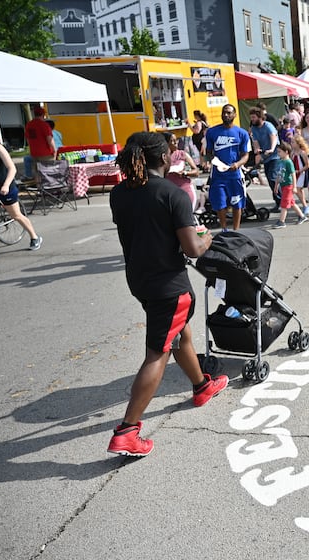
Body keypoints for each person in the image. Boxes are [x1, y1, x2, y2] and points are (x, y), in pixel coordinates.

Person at [107, 132, 227, 457]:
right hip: (169, 287)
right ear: (164, 158)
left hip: (141, 280)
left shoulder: (119, 194)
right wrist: (208, 238)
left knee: (180, 335)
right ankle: (128, 431)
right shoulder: (171, 193)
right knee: (157, 352)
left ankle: (202, 386)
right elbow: (193, 248)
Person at [0, 119, 41, 264]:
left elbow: (12, 168)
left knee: (16, 215)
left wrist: (5, 185)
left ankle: (34, 236)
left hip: (5, 187)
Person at [203, 104, 250, 231]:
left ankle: (236, 230)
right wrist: (210, 161)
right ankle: (224, 229)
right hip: (218, 175)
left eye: (229, 113)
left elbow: (245, 155)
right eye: (224, 112)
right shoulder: (212, 132)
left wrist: (238, 164)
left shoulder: (242, 133)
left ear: (234, 115)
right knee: (220, 203)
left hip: (235, 175)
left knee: (237, 203)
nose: (226, 115)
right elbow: (208, 153)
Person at [249, 107, 281, 212]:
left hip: (275, 155)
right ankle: (279, 201)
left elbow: (273, 137)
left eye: (254, 117)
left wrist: (271, 149)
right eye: (251, 117)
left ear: (260, 117)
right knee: (270, 179)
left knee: (273, 178)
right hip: (265, 156)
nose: (252, 119)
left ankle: (281, 201)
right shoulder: (253, 128)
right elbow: (255, 141)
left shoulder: (268, 125)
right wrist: (257, 150)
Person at [270, 142, 308, 228]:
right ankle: (302, 216)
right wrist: (276, 185)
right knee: (291, 202)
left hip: (289, 185)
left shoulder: (288, 162)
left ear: (286, 152)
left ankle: (281, 221)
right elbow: (279, 175)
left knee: (284, 203)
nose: (278, 153)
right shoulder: (280, 162)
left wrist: (294, 186)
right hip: (283, 185)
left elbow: (293, 174)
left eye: (279, 152)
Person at [163, 132, 202, 213]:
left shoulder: (182, 154)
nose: (175, 142)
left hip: (185, 190)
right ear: (166, 143)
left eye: (176, 140)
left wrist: (185, 173)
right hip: (169, 194)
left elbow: (196, 171)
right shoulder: (162, 158)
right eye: (172, 141)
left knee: (187, 216)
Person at [24, 106, 56, 181]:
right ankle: (49, 188)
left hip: (34, 152)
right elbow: (49, 139)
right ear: (43, 115)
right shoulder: (44, 125)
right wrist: (54, 150)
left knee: (37, 172)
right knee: (48, 171)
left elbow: (28, 139)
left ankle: (40, 188)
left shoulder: (29, 125)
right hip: (46, 153)